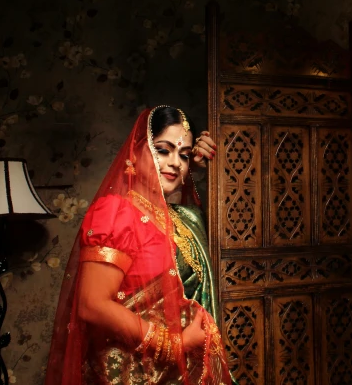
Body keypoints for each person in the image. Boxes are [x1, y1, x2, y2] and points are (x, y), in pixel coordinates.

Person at [45, 106, 235, 384]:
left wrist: (201, 171)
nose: (174, 163)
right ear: (135, 151)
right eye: (163, 150)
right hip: (128, 374)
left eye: (183, 155)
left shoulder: (176, 218)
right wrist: (175, 345)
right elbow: (92, 304)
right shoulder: (115, 212)